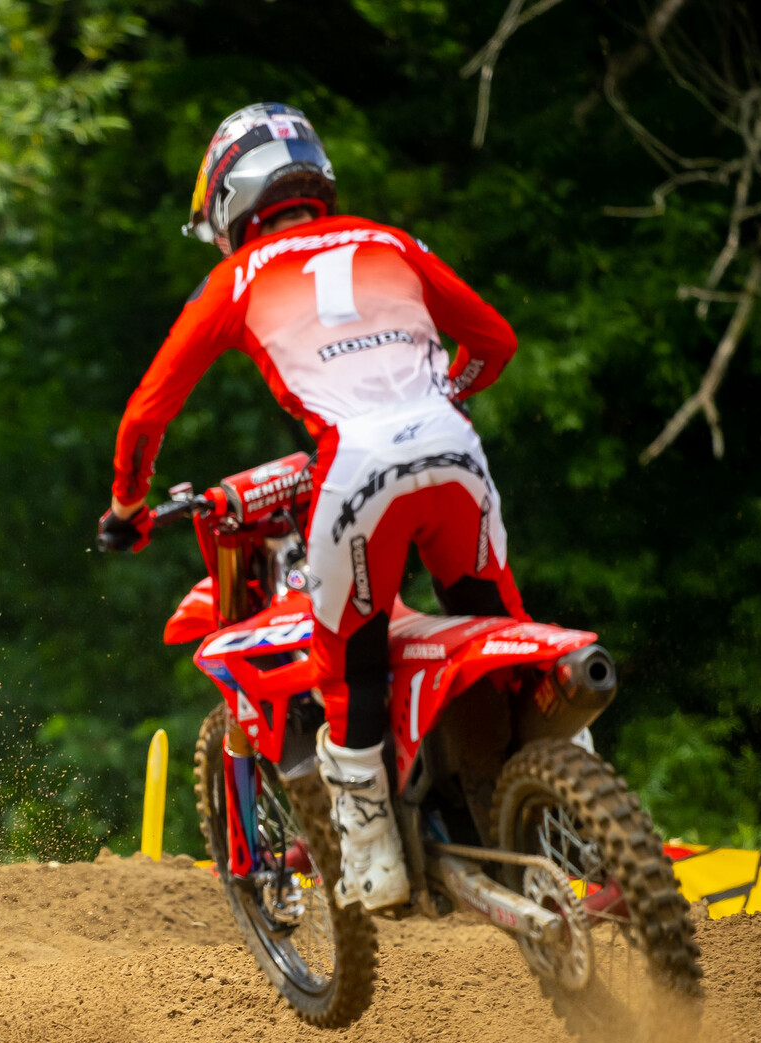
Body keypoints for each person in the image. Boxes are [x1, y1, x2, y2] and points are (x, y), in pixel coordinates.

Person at [95, 103, 521, 911]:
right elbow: (495, 341)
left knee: (347, 660)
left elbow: (146, 413)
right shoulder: (390, 241)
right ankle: (566, 810)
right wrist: (437, 399)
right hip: (455, 450)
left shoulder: (235, 277)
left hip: (356, 470)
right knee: (496, 621)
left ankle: (374, 864)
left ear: (228, 200)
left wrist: (128, 505)